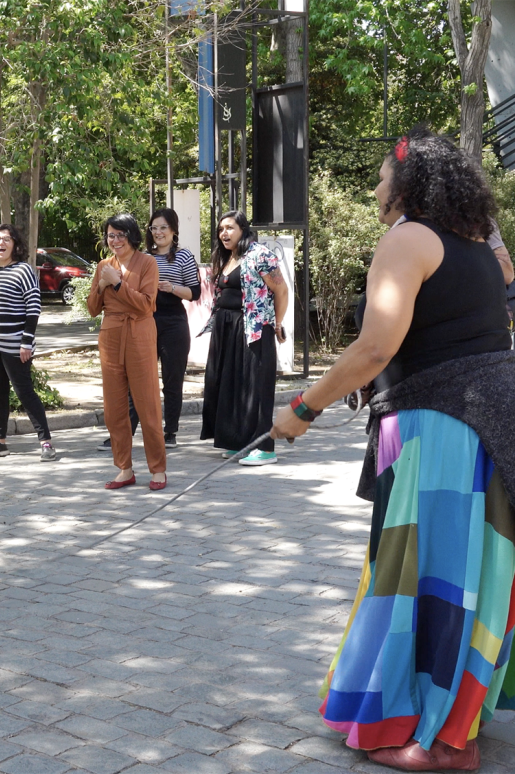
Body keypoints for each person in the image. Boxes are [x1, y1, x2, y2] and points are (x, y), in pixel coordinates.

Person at [272, 127, 515, 771]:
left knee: (421, 573)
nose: (376, 187)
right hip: (489, 422)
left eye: (383, 176)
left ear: (408, 185)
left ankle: (424, 732)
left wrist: (302, 409)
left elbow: (376, 347)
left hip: (437, 425)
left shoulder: (408, 238)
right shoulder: (477, 246)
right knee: (464, 572)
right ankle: (454, 722)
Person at [97, 208, 201, 452]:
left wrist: (171, 287)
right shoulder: (141, 257)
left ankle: (170, 432)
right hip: (143, 320)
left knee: (172, 379)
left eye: (164, 227)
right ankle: (125, 433)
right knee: (136, 380)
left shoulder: (184, 256)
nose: (158, 232)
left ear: (174, 230)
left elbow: (195, 292)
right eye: (154, 228)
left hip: (173, 321)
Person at [200, 210, 288, 466]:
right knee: (232, 384)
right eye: (220, 229)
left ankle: (265, 447)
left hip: (254, 328)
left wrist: (277, 323)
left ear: (242, 229)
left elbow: (281, 290)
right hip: (227, 329)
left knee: (256, 386)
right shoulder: (227, 257)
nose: (224, 233)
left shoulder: (260, 254)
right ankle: (239, 440)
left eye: (229, 228)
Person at [87, 213, 167, 490]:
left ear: (132, 235)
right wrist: (101, 284)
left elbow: (146, 305)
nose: (115, 240)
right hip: (111, 335)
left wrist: (118, 284)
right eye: (111, 235)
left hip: (140, 334)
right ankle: (124, 468)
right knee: (114, 408)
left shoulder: (148, 263)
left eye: (121, 234)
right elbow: (92, 308)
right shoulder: (103, 265)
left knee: (147, 405)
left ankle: (158, 469)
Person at [0, 224, 56, 462]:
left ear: (15, 245)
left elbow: (33, 308)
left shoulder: (24, 271)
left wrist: (26, 342)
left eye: (7, 239)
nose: (1, 243)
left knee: (25, 393)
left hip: (15, 346)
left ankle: (46, 442)